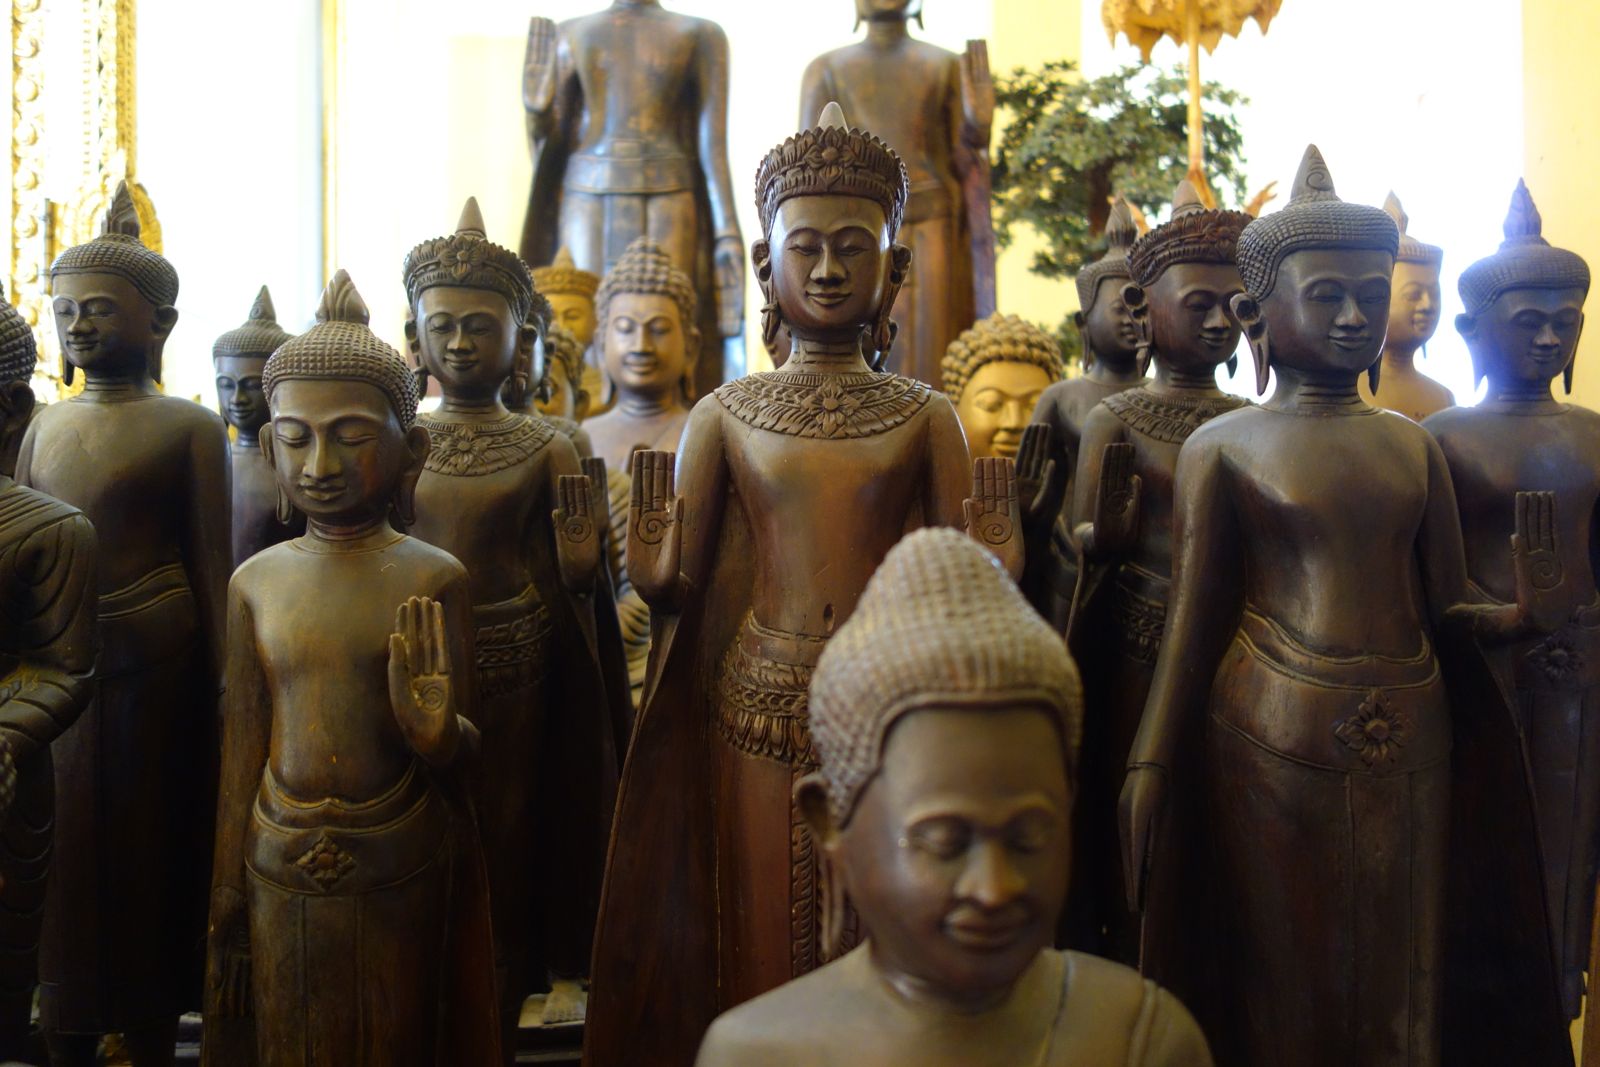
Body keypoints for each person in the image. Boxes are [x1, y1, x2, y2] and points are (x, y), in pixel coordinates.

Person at [695, 528, 1212, 1067]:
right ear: (831, 820)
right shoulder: (757, 1055)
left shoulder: (1145, 1042)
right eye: (944, 841)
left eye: (1029, 837)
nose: (994, 888)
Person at [202, 270, 499, 1066]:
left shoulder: (433, 577)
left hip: (401, 855)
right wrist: (226, 904)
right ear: (269, 444)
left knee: (398, 1036)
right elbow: (240, 759)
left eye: (352, 435)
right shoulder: (256, 584)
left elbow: (471, 761)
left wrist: (440, 736)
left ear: (411, 449)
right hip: (275, 858)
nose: (320, 462)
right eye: (295, 437)